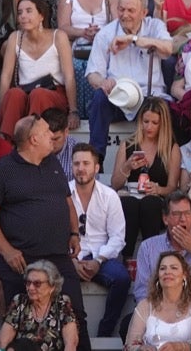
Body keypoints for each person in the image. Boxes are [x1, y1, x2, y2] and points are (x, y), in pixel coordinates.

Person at [0, 115, 88, 351]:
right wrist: (6, 251)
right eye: (47, 131)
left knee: (76, 316)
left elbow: (67, 202)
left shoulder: (53, 163)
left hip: (59, 257)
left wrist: (74, 233)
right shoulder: (2, 170)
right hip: (22, 260)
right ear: (34, 139)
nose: (53, 135)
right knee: (23, 323)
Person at [84, 0, 174, 158]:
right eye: (121, 9)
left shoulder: (155, 26)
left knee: (167, 110)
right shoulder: (106, 34)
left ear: (144, 12)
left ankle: (164, 164)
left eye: (131, 10)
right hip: (119, 96)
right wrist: (103, 82)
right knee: (99, 99)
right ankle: (96, 159)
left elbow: (168, 48)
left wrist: (133, 40)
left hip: (150, 96)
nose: (125, 15)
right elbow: (92, 73)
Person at [68, 144, 129, 337]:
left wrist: (98, 260)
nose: (81, 168)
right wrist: (72, 262)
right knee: (55, 278)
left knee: (122, 278)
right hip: (70, 258)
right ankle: (71, 332)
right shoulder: (63, 195)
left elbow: (118, 237)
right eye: (76, 163)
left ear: (96, 167)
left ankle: (105, 332)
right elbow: (55, 235)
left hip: (101, 257)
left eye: (86, 163)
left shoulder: (109, 196)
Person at [110, 98, 182, 256]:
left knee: (150, 204)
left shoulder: (171, 148)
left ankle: (152, 258)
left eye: (154, 123)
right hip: (130, 194)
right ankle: (126, 258)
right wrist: (127, 166)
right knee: (128, 204)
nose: (149, 127)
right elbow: (114, 184)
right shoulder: (127, 144)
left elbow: (172, 187)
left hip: (155, 198)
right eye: (145, 121)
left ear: (163, 124)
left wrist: (158, 189)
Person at [0, 0, 76, 138]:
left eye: (28, 11)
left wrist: (73, 111)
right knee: (14, 93)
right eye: (20, 13)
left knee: (38, 94)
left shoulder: (58, 36)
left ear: (41, 16)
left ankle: (33, 141)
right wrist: (0, 110)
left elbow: (69, 76)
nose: (23, 16)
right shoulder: (15, 37)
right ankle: (7, 144)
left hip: (53, 93)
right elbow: (5, 77)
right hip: (26, 92)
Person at [133, 192, 191, 305]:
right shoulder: (148, 247)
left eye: (187, 213)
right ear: (165, 219)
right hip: (161, 312)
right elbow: (142, 293)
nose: (183, 219)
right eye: (176, 214)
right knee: (128, 321)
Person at [123, 251, 191, 351]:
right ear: (158, 276)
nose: (167, 272)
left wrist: (179, 347)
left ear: (184, 275)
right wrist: (141, 348)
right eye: (162, 268)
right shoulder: (145, 305)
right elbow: (129, 346)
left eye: (174, 268)